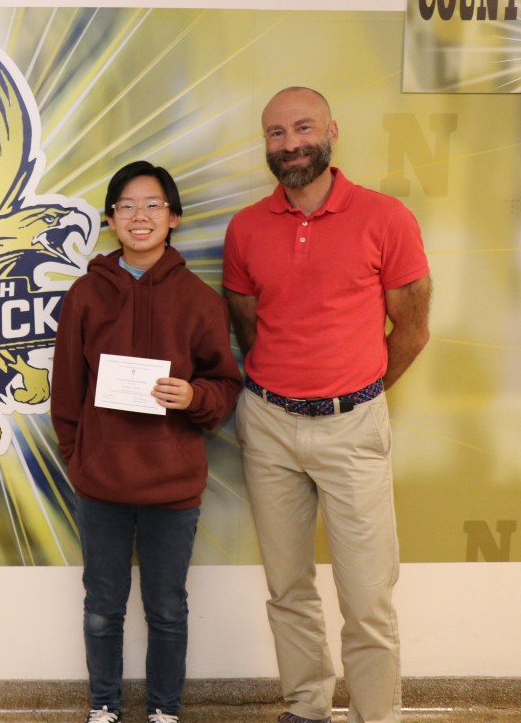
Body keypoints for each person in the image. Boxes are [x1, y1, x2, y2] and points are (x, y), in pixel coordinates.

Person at [222, 87, 432, 723]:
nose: (290, 144)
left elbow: (414, 329)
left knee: (368, 596)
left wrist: (356, 391)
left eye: (302, 127)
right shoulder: (246, 228)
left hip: (354, 425)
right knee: (287, 588)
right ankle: (306, 709)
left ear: (331, 131)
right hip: (268, 426)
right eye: (276, 134)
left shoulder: (385, 217)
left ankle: (377, 716)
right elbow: (249, 328)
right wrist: (290, 391)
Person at [51, 161, 243, 723]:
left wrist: (193, 397)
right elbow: (66, 393)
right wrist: (80, 461)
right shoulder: (86, 295)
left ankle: (164, 710)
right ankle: (103, 706)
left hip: (173, 487)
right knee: (102, 609)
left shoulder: (201, 301)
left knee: (167, 609)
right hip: (101, 487)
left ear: (174, 218)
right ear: (111, 219)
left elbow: (225, 386)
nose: (140, 216)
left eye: (153, 205)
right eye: (127, 206)